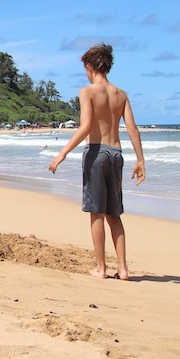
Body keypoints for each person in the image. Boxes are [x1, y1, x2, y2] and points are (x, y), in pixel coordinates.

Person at [48, 43, 145, 281]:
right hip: (116, 154)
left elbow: (86, 126)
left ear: (89, 66)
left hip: (96, 153)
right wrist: (141, 160)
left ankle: (101, 268)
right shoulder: (121, 94)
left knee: (96, 213)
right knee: (115, 214)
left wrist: (62, 153)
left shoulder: (88, 91)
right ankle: (123, 269)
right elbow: (131, 128)